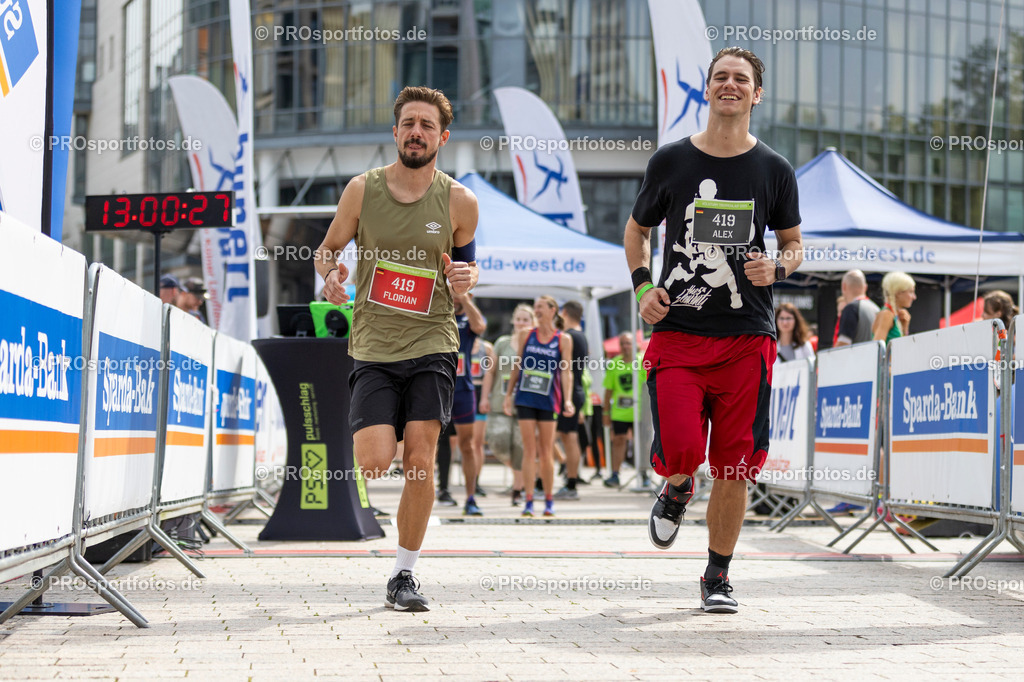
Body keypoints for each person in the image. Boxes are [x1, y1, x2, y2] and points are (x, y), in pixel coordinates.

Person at [625, 47, 803, 613]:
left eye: (741, 79)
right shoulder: (672, 162)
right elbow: (636, 233)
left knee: (733, 465)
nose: (730, 85)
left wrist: (778, 266)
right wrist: (641, 287)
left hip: (748, 337)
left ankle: (717, 576)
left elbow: (796, 245)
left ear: (757, 95)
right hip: (678, 333)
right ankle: (677, 487)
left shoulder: (774, 169)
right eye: (721, 76)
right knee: (682, 451)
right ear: (708, 89)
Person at [314, 85, 479, 613]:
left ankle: (403, 573)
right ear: (396, 131)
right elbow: (328, 249)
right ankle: (388, 505)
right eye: (409, 123)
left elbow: (465, 268)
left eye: (427, 126)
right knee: (375, 460)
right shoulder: (363, 190)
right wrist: (330, 275)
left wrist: (466, 278)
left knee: (420, 461)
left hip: (433, 339)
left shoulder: (459, 201)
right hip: (374, 344)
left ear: (442, 137)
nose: (416, 132)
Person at [503, 296, 574, 518]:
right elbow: (517, 365)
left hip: (548, 399)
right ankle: (529, 500)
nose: (537, 311)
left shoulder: (563, 339)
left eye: (540, 307)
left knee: (545, 452)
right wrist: (508, 394)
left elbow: (566, 371)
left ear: (553, 310)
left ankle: (549, 501)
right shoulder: (527, 335)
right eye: (535, 308)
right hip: (525, 397)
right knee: (529, 450)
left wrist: (568, 399)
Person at [481, 304, 534, 505]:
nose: (521, 323)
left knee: (520, 448)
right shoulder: (502, 343)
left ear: (532, 323)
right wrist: (484, 398)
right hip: (497, 401)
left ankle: (518, 488)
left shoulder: (534, 343)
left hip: (523, 403)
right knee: (498, 443)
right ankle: (524, 476)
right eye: (518, 319)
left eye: (525, 320)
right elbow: (490, 372)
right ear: (513, 320)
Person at [451, 291, 487, 515]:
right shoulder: (439, 311)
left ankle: (470, 498)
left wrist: (464, 299)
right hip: (436, 387)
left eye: (457, 293)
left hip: (463, 389)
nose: (453, 297)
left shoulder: (468, 316)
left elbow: (481, 327)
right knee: (425, 445)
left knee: (468, 445)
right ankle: (433, 492)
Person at [554, 300, 589, 500]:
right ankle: (570, 481)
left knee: (561, 437)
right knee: (568, 437)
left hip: (568, 392)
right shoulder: (580, 336)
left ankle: (568, 481)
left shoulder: (569, 336)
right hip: (575, 391)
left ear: (564, 312)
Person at [602, 332, 647, 488]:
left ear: (635, 344)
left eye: (629, 343)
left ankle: (644, 473)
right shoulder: (614, 363)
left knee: (642, 443)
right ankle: (615, 474)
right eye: (623, 343)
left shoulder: (642, 361)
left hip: (640, 411)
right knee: (618, 441)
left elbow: (649, 387)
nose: (626, 346)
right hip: (620, 412)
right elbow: (608, 390)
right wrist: (605, 412)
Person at [834, 269, 880, 347]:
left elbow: (842, 345)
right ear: (865, 287)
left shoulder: (851, 309)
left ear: (844, 286)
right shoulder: (876, 309)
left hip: (856, 358)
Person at [873, 272, 915, 342]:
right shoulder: (887, 314)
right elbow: (877, 347)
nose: (914, 297)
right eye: (911, 292)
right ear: (898, 293)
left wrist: (905, 327)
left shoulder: (892, 314)